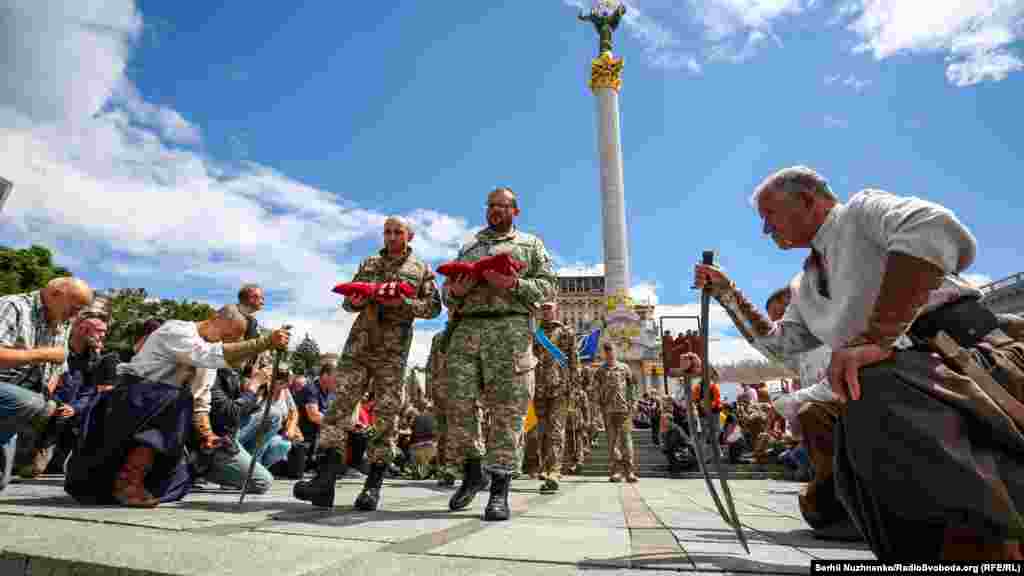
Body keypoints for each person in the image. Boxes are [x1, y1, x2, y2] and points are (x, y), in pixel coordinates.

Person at [694, 165, 1024, 560]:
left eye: (771, 217)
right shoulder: (805, 286)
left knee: (875, 387)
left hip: (966, 359)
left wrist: (876, 336)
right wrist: (729, 295)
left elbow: (934, 228)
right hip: (893, 379)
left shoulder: (862, 211)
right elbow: (782, 344)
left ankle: (988, 548)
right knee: (821, 412)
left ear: (807, 199)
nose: (766, 231)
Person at [65, 304, 290, 507]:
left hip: (163, 414)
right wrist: (265, 342)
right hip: (131, 402)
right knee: (176, 398)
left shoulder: (209, 357)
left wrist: (207, 434)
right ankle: (127, 482)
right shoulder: (178, 330)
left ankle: (126, 483)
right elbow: (208, 356)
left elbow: (201, 400)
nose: (225, 342)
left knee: (179, 481)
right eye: (227, 335)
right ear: (215, 319)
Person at [294, 216, 441, 510]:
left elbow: (434, 307)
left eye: (397, 231)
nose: (391, 236)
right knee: (338, 410)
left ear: (409, 236)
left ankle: (372, 486)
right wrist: (358, 301)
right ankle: (325, 480)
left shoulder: (421, 269)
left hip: (392, 352)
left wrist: (403, 303)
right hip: (359, 346)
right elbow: (349, 301)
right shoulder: (370, 262)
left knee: (386, 417)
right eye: (387, 231)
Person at [443, 186, 556, 521]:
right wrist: (456, 292)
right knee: (458, 403)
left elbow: (549, 286)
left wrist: (513, 285)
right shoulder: (470, 246)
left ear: (515, 210)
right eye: (490, 205)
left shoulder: (531, 244)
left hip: (510, 330)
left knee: (508, 411)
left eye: (501, 206)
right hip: (468, 329)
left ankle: (499, 491)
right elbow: (448, 294)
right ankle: (474, 469)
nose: (494, 210)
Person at [0, 277, 93, 491]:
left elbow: (56, 372)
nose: (76, 314)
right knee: (32, 403)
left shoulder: (63, 321)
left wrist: (48, 399)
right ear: (55, 293)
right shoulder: (13, 306)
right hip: (10, 393)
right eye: (75, 307)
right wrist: (42, 354)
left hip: (19, 404)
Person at [532, 301, 578, 494]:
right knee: (540, 431)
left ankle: (555, 470)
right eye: (543, 308)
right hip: (538, 388)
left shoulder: (566, 332)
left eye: (549, 308)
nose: (546, 311)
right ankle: (544, 466)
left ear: (556, 310)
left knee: (557, 430)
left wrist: (574, 387)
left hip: (560, 388)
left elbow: (573, 360)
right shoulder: (535, 334)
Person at [593, 341, 638, 483]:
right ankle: (616, 472)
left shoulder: (625, 368)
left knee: (626, 440)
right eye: (606, 351)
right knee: (612, 442)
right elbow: (596, 390)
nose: (609, 353)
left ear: (615, 351)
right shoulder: (600, 371)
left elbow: (632, 387)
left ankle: (629, 471)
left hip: (624, 409)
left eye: (611, 350)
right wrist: (597, 407)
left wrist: (634, 402)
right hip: (608, 410)